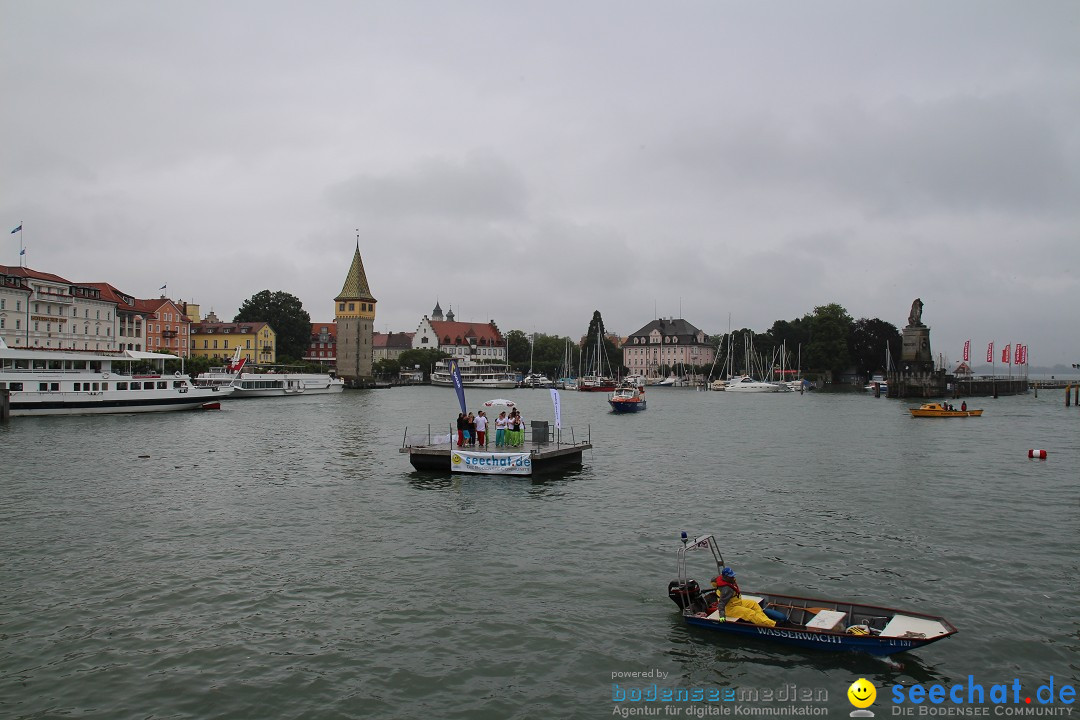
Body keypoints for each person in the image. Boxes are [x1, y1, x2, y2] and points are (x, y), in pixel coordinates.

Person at [710, 567, 776, 627]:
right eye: (731, 576)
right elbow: (721, 603)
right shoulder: (727, 589)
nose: (733, 577)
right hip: (729, 609)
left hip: (737, 603)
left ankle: (766, 621)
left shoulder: (726, 580)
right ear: (726, 577)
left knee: (753, 604)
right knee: (749, 613)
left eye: (733, 575)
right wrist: (722, 616)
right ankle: (772, 625)